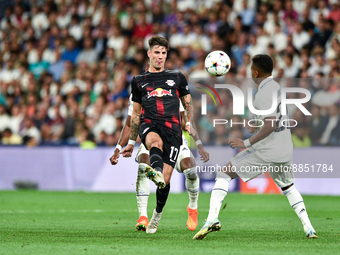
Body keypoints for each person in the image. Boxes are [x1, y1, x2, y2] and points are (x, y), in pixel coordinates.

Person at [193, 54, 318, 240]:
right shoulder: (276, 87)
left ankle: (212, 219)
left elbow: (270, 124)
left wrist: (245, 142)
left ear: (255, 72)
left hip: (267, 150)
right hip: (284, 147)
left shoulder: (262, 94)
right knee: (289, 187)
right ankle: (309, 228)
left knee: (224, 173)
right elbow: (272, 118)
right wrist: (256, 123)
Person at [120, 35, 192, 234]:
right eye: (157, 53)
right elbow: (135, 114)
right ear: (149, 53)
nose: (160, 57)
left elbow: (188, 104)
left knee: (165, 182)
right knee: (153, 142)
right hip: (150, 124)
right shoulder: (138, 81)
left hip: (174, 130)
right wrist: (132, 142)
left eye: (163, 53)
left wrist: (191, 123)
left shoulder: (178, 77)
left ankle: (156, 215)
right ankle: (156, 171)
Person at [110, 95, 209, 232]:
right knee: (143, 166)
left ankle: (191, 208)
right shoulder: (138, 91)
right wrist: (119, 147)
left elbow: (185, 121)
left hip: (174, 139)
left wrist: (198, 143)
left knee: (190, 171)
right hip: (150, 138)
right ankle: (143, 216)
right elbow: (129, 123)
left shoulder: (172, 86)